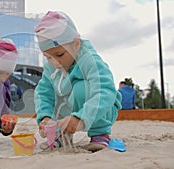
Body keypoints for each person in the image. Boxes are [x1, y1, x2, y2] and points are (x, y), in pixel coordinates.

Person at [33, 11, 122, 152]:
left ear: (76, 44)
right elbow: (43, 92)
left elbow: (105, 91)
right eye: (48, 57)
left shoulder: (89, 60)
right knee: (54, 92)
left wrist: (80, 118)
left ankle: (99, 133)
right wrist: (45, 117)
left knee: (80, 89)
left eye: (59, 54)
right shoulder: (51, 67)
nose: (54, 62)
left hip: (104, 108)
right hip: (71, 106)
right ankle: (60, 134)